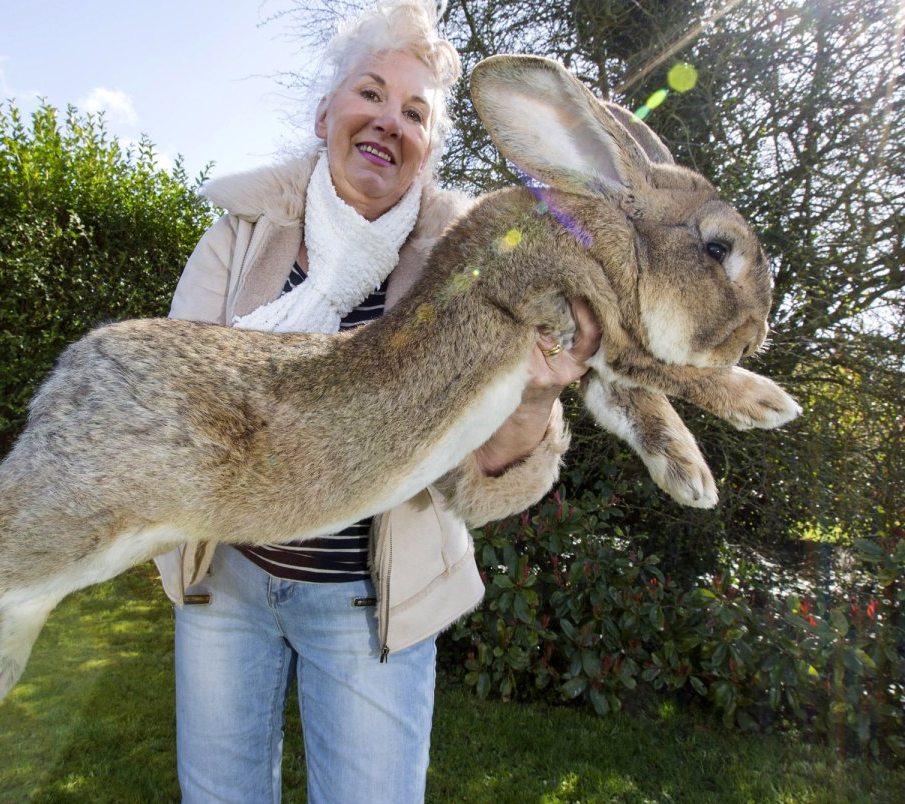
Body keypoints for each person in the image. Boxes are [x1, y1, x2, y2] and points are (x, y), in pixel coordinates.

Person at [153, 1, 601, 801]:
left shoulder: (471, 268)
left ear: (428, 148)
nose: (388, 121)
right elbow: (170, 399)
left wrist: (533, 400)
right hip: (227, 585)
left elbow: (481, 478)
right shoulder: (241, 234)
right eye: (370, 94)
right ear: (326, 112)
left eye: (415, 113)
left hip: (370, 606)